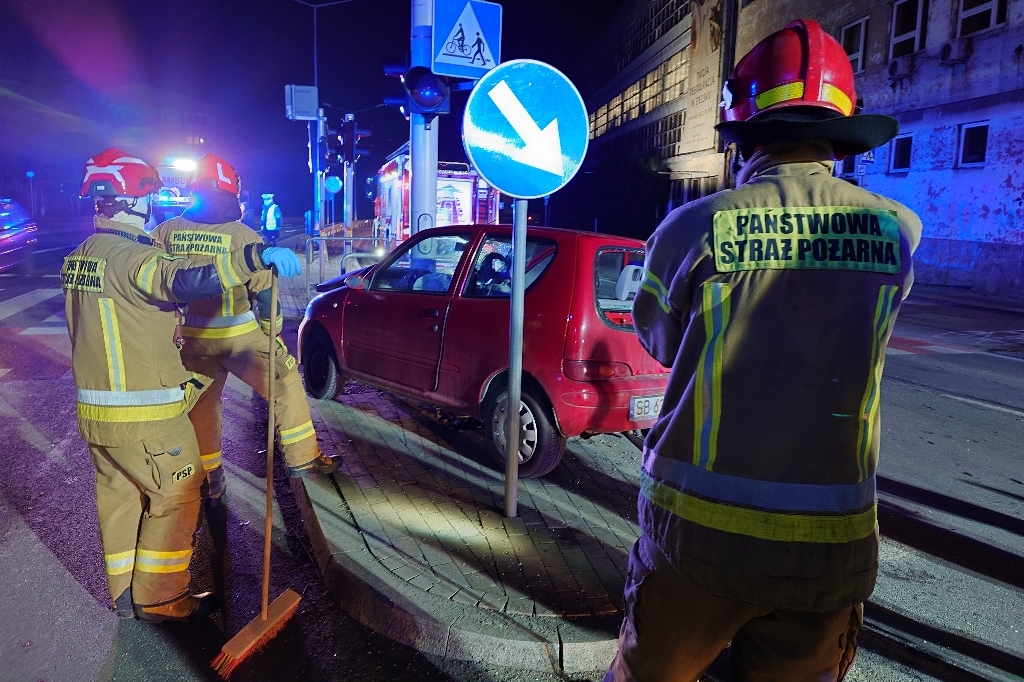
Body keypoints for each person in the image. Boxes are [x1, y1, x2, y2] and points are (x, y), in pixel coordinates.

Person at [605, 20, 922, 682]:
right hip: (830, 548)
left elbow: (660, 341)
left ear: (741, 128)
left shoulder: (693, 227)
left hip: (699, 544)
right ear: (841, 128)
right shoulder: (896, 232)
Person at [66, 148, 303, 622]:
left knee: (119, 496)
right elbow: (184, 279)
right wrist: (256, 255)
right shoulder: (134, 259)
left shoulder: (80, 257)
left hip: (95, 415)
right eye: (149, 195)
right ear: (134, 201)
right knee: (179, 493)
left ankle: (124, 595)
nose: (154, 203)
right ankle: (159, 598)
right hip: (145, 412)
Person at [152, 155, 338, 502]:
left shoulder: (165, 232)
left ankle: (211, 478)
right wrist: (274, 333)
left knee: (202, 408)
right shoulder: (242, 236)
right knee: (285, 383)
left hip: (190, 344)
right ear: (232, 193)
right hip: (239, 341)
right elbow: (265, 293)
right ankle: (303, 458)